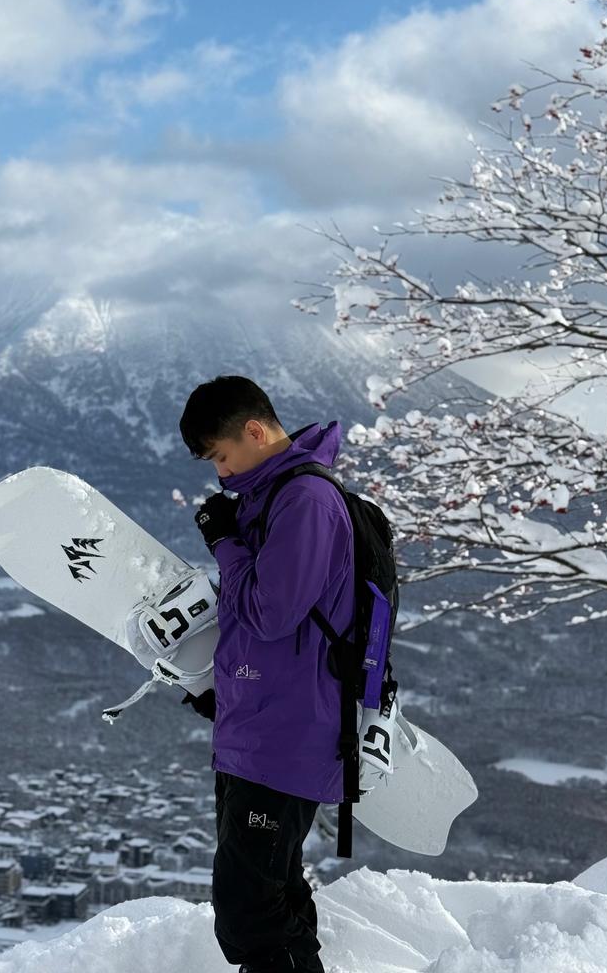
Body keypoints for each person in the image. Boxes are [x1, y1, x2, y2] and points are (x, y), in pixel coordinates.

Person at [178, 375, 356, 973]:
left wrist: (226, 543)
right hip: (259, 727)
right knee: (270, 891)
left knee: (248, 907)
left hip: (287, 734)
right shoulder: (269, 497)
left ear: (255, 432)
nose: (221, 474)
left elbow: (269, 612)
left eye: (222, 457)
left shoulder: (305, 500)